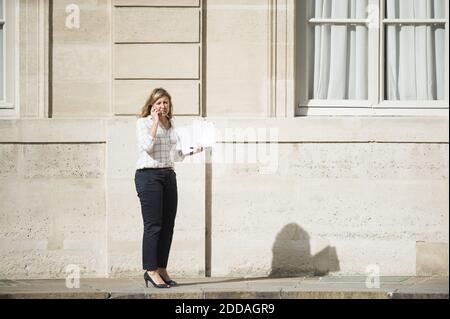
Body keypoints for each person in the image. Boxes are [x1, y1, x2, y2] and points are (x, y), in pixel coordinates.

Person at [134, 88, 204, 288]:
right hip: (148, 176)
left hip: (168, 176)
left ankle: (162, 268)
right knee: (153, 225)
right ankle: (150, 270)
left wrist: (193, 150)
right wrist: (155, 122)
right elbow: (147, 146)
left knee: (168, 226)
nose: (162, 106)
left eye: (165, 103)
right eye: (158, 103)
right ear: (151, 105)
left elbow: (176, 155)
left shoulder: (172, 125)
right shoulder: (143, 123)